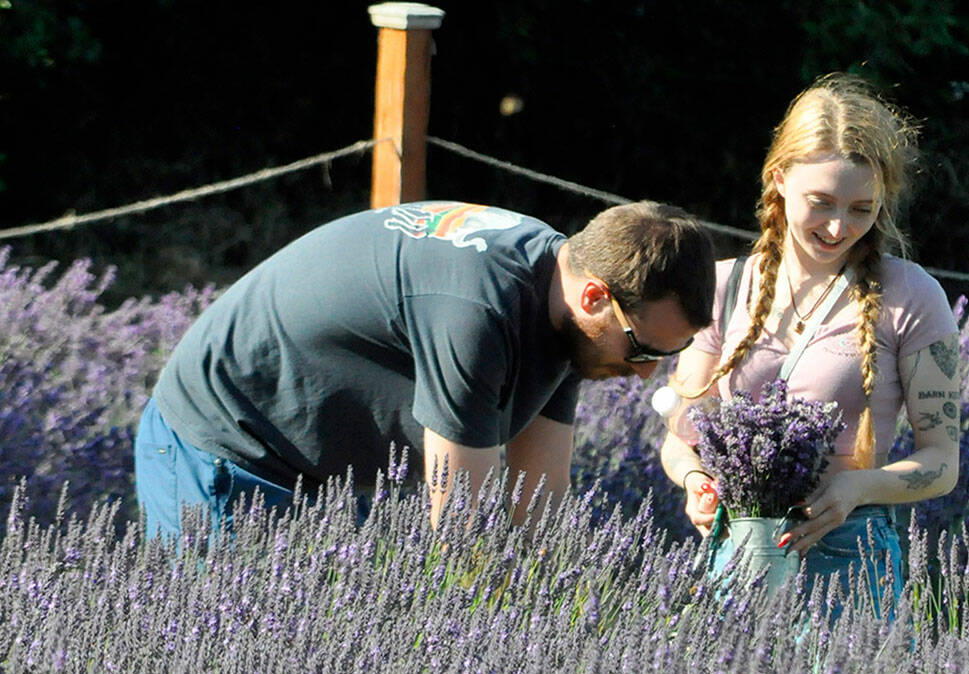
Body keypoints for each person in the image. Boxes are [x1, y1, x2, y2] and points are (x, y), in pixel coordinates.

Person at [136, 199, 715, 541]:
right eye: (643, 351)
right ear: (594, 297)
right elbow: (461, 527)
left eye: (668, 355)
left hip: (320, 474)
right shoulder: (480, 315)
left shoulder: (564, 308)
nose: (644, 376)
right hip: (222, 447)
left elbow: (535, 504)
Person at [658, 73, 961, 619]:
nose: (838, 227)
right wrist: (696, 479)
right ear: (778, 179)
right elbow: (680, 436)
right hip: (741, 551)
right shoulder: (723, 287)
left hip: (851, 553)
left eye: (862, 209)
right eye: (820, 202)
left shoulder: (911, 295)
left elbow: (942, 463)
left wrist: (857, 488)